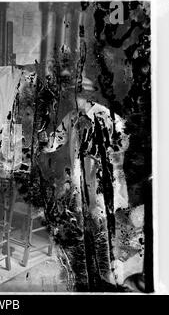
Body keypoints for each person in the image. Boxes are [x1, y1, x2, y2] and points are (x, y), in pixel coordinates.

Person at [41, 77, 130, 291]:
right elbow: (56, 139)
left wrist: (110, 152)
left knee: (103, 223)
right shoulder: (72, 117)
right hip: (81, 181)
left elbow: (124, 139)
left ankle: (110, 271)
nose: (72, 100)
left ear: (85, 97)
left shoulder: (105, 115)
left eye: (75, 96)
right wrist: (44, 142)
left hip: (102, 180)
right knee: (85, 220)